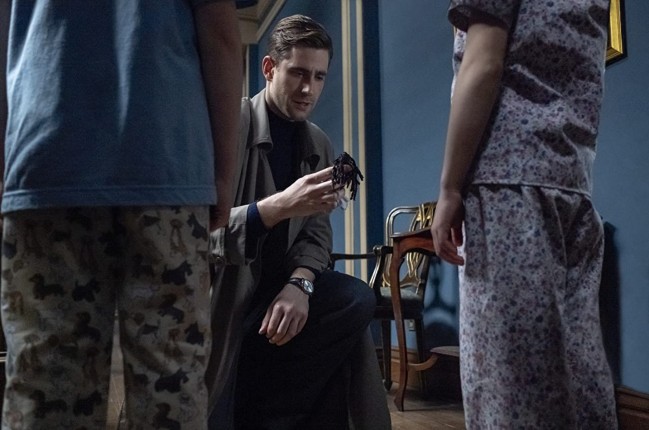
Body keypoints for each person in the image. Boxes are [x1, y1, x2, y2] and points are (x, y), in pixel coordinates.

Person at [0, 1, 242, 428]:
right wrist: (224, 172)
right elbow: (220, 32)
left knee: (47, 385)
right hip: (167, 161)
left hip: (46, 156)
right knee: (171, 380)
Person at [430, 1, 618, 428]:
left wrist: (450, 187)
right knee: (577, 374)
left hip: (506, 186)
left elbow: (483, 63)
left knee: (507, 385)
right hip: (572, 184)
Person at [206, 14, 391, 430]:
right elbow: (198, 234)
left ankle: (272, 416)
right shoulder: (229, 124)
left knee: (356, 298)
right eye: (298, 73)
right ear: (269, 68)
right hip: (230, 297)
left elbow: (318, 234)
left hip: (283, 295)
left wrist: (300, 284)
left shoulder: (319, 142)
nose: (309, 89)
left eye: (319, 76)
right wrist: (279, 206)